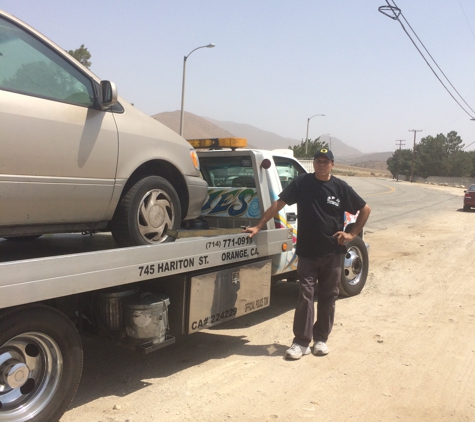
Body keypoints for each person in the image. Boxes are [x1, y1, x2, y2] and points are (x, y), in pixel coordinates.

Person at [244, 148, 371, 359]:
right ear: (314, 163)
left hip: (333, 252)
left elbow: (365, 209)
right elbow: (279, 203)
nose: (321, 164)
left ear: (332, 164)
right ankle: (300, 342)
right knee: (305, 295)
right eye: (318, 161)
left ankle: (321, 339)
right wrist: (259, 226)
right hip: (307, 252)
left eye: (325, 161)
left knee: (329, 296)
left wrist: (352, 234)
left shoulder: (340, 187)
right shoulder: (303, 182)